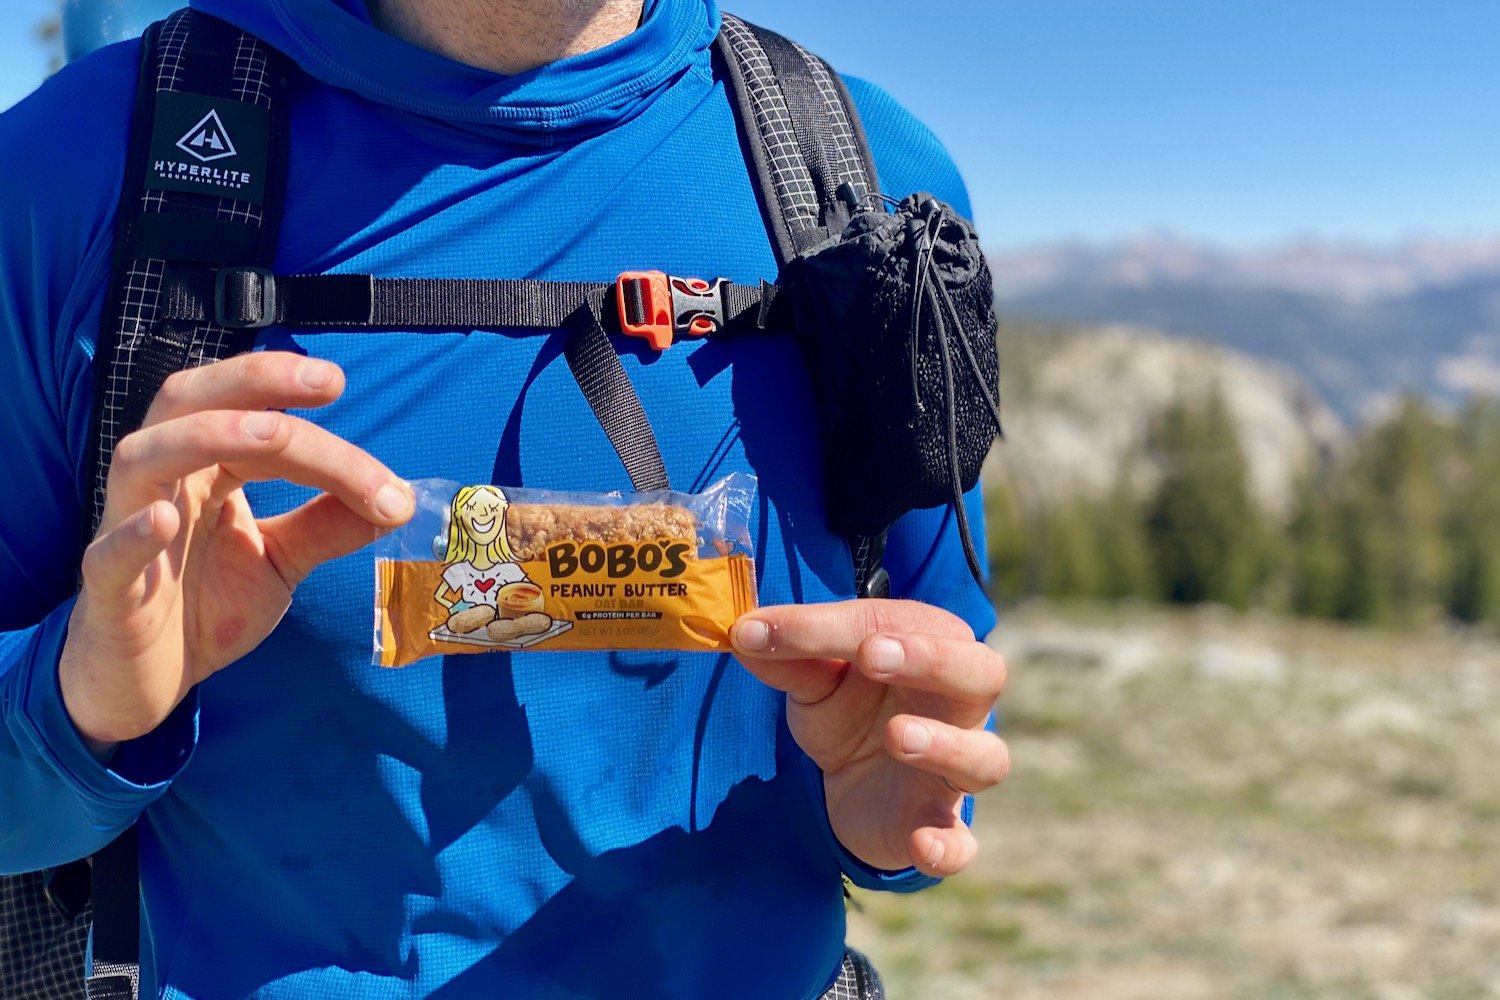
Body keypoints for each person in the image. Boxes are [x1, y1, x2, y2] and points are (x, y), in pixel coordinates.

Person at [0, 1, 1010, 997]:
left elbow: (927, 713)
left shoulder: (861, 176)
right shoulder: (77, 169)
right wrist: (82, 697)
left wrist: (888, 812)